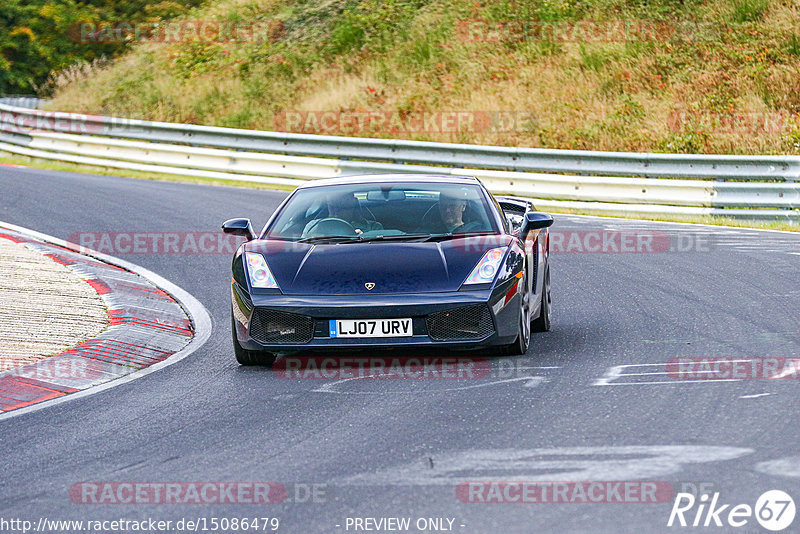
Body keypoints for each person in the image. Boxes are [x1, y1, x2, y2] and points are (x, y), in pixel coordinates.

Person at [304, 192, 382, 235]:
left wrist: (364, 238)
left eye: (342, 207)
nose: (336, 211)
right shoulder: (313, 226)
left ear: (353, 204)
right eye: (332, 206)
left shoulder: (373, 228)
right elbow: (301, 246)